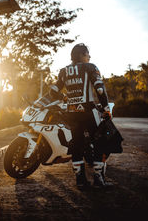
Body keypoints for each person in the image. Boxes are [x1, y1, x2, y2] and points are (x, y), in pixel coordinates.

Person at [50, 43, 113, 188]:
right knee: (99, 142)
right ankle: (98, 179)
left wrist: (65, 98)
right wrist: (106, 108)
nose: (89, 57)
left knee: (76, 145)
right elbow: (100, 89)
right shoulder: (90, 67)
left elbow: (53, 91)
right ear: (82, 55)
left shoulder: (64, 71)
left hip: (72, 113)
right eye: (87, 54)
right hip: (88, 111)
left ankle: (80, 180)